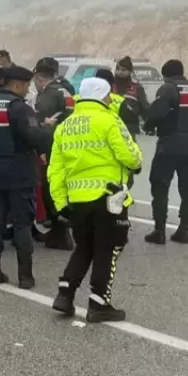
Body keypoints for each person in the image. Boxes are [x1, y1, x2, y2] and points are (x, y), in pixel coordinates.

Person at [48, 77, 144, 322]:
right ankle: (99, 303)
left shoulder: (65, 126)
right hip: (108, 199)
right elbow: (130, 156)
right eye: (108, 95)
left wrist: (61, 203)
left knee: (84, 248)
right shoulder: (110, 120)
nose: (111, 99)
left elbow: (55, 170)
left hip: (77, 200)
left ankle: (64, 295)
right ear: (103, 96)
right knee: (107, 249)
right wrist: (137, 161)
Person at [0, 66, 52, 288]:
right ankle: (25, 276)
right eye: (27, 86)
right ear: (18, 85)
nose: (27, 89)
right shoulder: (19, 107)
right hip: (19, 172)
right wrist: (47, 130)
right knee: (22, 223)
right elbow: (33, 136)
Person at [142, 59, 188, 244]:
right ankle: (184, 230)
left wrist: (149, 125)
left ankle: (159, 231)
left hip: (169, 145)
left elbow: (156, 112)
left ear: (166, 75)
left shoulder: (169, 88)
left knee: (160, 186)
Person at [31, 61, 75, 250]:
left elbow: (44, 127)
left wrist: (41, 150)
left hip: (53, 148)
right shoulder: (66, 91)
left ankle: (61, 231)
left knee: (50, 190)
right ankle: (62, 229)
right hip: (69, 145)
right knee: (62, 188)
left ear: (40, 79)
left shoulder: (47, 96)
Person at [111, 56, 150, 139]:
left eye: (123, 70)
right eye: (118, 69)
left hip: (130, 127)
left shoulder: (136, 88)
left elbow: (144, 107)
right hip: (111, 125)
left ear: (129, 71)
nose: (120, 72)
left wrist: (149, 124)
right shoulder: (110, 86)